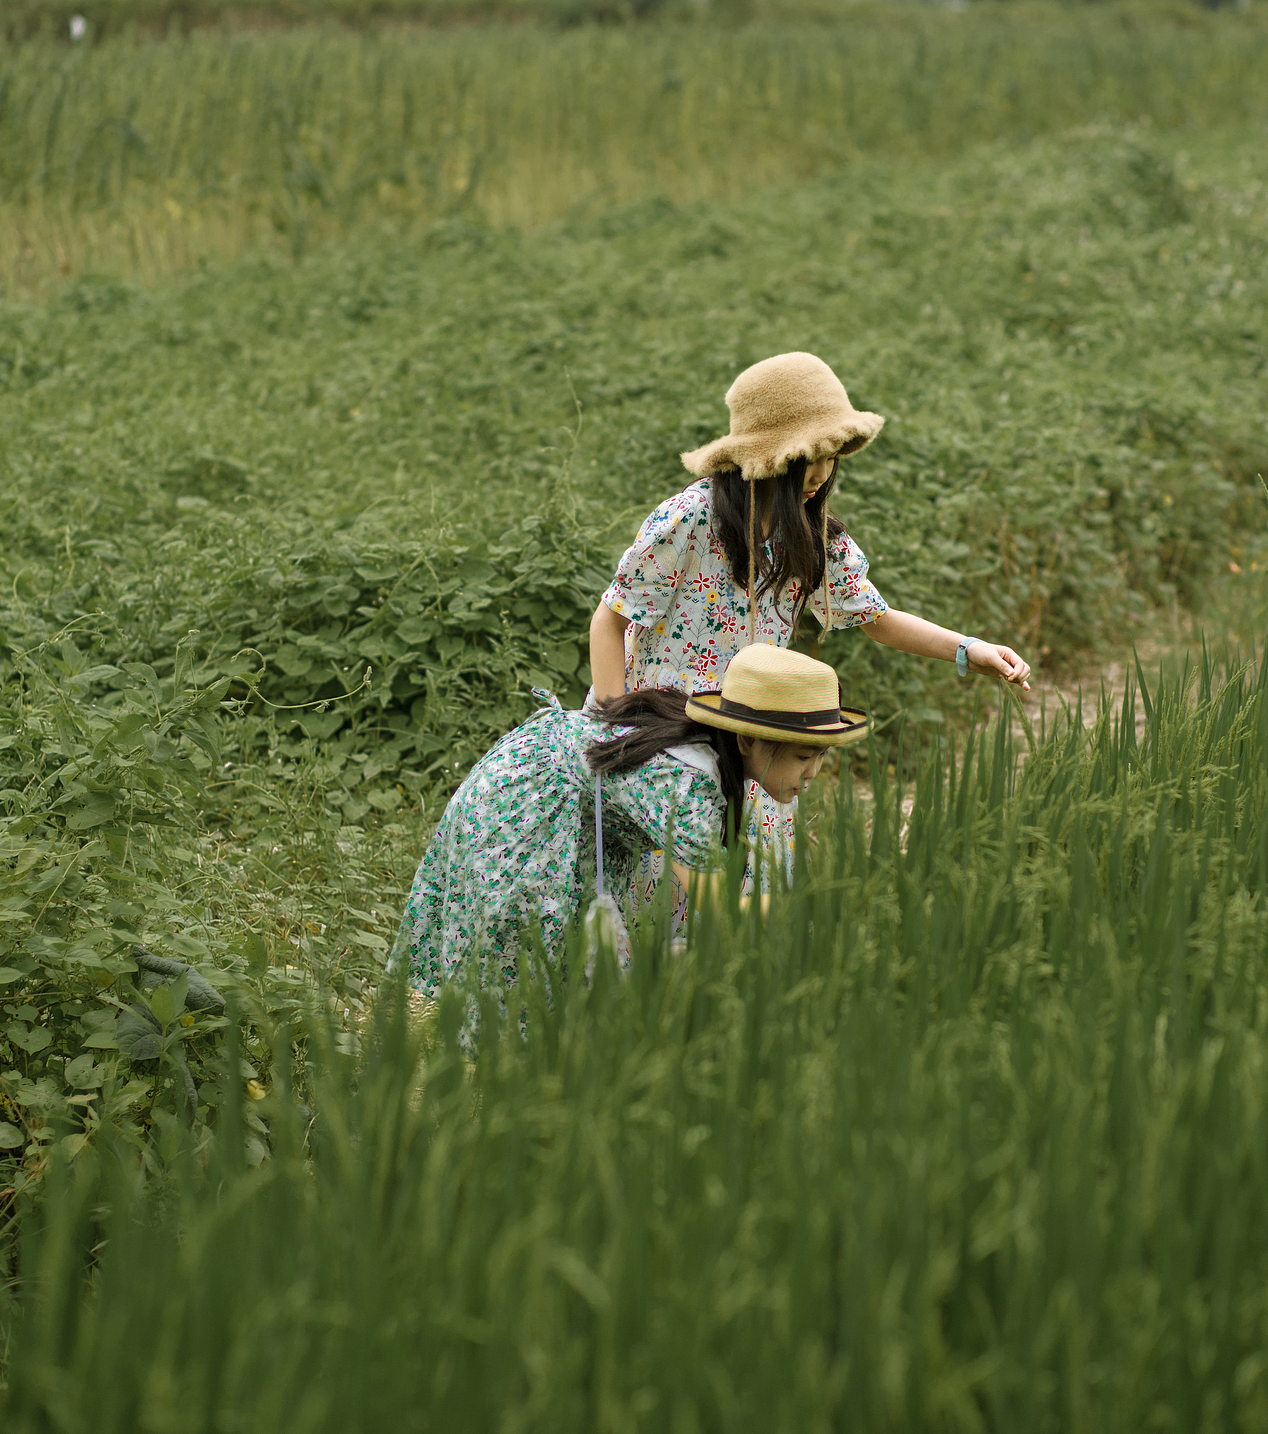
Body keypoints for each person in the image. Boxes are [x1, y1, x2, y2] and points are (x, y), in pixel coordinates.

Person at [588, 352, 1032, 883]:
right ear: (766, 457)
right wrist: (618, 728)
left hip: (759, 739)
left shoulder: (812, 538)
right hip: (664, 742)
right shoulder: (689, 520)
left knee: (754, 906)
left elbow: (877, 617)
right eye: (807, 460)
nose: (820, 475)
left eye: (831, 458)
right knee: (659, 907)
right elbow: (610, 620)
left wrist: (969, 648)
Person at [387, 644, 865, 1017]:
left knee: (570, 973)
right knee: (530, 972)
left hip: (560, 807)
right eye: (805, 756)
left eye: (822, 755)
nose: (814, 772)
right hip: (522, 815)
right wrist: (822, 903)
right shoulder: (685, 782)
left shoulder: (707, 754)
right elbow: (718, 908)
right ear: (746, 739)